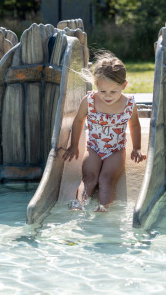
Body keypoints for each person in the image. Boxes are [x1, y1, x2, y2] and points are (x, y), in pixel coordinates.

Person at [62, 52, 146, 212]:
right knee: (89, 178)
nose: (107, 96)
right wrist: (74, 145)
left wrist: (136, 148)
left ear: (124, 86)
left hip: (116, 151)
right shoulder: (89, 101)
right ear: (95, 86)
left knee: (106, 179)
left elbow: (134, 125)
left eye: (113, 92)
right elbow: (79, 120)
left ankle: (103, 208)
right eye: (102, 91)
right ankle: (79, 204)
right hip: (93, 148)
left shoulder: (129, 104)